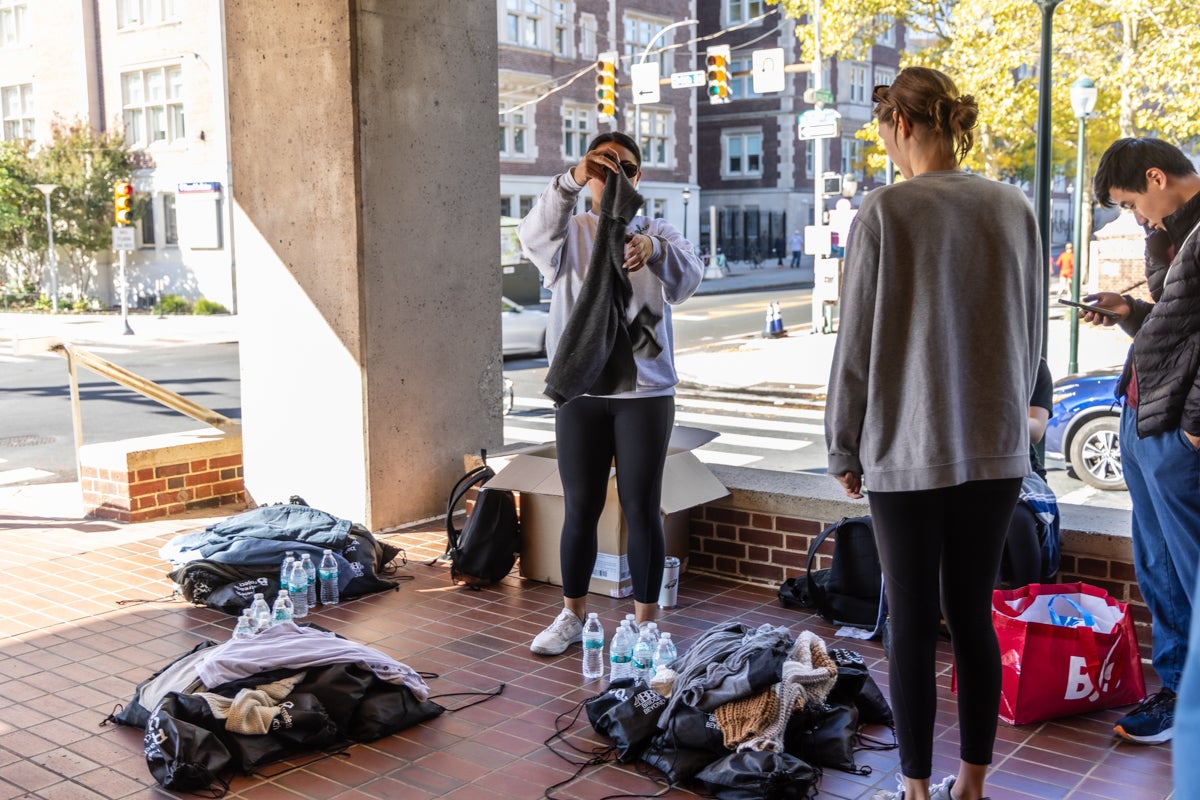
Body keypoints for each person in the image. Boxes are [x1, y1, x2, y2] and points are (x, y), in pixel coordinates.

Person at [825, 67, 1042, 800]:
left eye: (884, 130)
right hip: (996, 445)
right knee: (973, 615)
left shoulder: (885, 212)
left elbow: (855, 345)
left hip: (904, 447)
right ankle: (972, 785)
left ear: (905, 126)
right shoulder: (1014, 206)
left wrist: (843, 444)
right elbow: (1033, 334)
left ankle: (916, 791)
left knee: (912, 619)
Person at [517, 132, 704, 656]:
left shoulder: (659, 233)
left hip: (645, 393)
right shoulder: (569, 235)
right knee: (581, 505)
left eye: (624, 166)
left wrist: (655, 250)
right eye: (602, 166)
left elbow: (689, 280)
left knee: (643, 508)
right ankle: (572, 614)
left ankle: (646, 626)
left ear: (639, 177)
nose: (613, 175)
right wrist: (570, 180)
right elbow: (530, 234)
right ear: (588, 174)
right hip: (582, 390)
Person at [1081, 136, 1200, 745]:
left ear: (1156, 176)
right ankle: (1178, 692)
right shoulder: (1173, 233)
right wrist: (1127, 311)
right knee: (1157, 566)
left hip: (1178, 428)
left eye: (1130, 203)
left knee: (1189, 568)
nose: (1135, 217)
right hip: (1141, 414)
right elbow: (1176, 329)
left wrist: (1195, 429)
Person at [999, 358, 1060, 587]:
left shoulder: (1033, 365)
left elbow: (1036, 429)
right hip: (967, 471)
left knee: (1017, 518)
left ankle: (1030, 602)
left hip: (1022, 471)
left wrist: (991, 419)